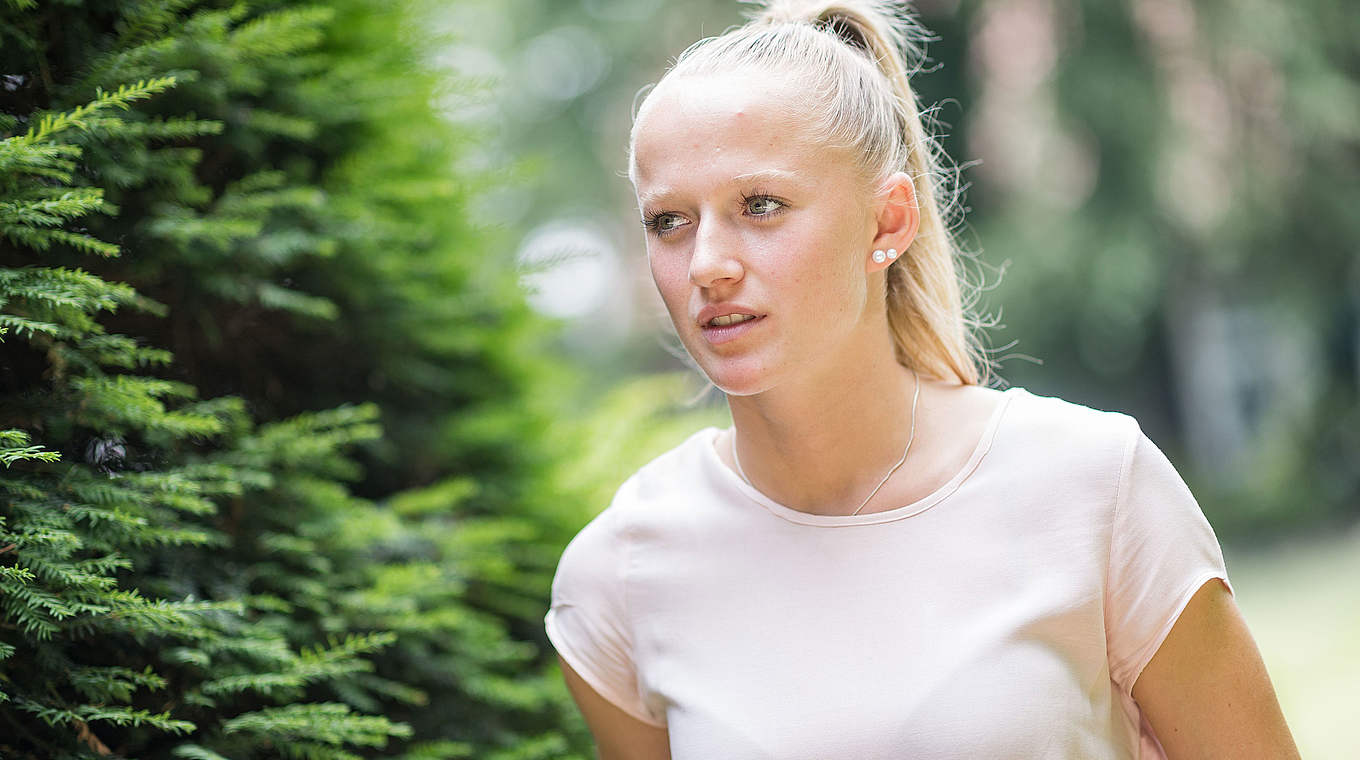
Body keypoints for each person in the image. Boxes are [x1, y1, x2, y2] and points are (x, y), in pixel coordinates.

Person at [544, 1, 1299, 757]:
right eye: (669, 221)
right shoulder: (619, 575)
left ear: (888, 222)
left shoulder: (1097, 489)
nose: (707, 262)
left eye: (760, 205)